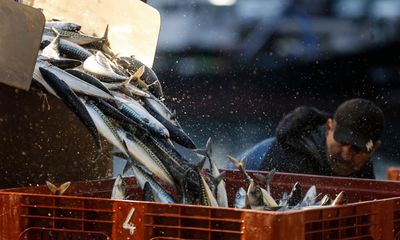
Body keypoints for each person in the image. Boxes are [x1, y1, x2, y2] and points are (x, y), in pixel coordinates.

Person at [239, 98, 385, 179]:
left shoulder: (364, 168)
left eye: (357, 148)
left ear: (373, 148)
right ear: (329, 127)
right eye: (342, 141)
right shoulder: (291, 155)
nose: (346, 156)